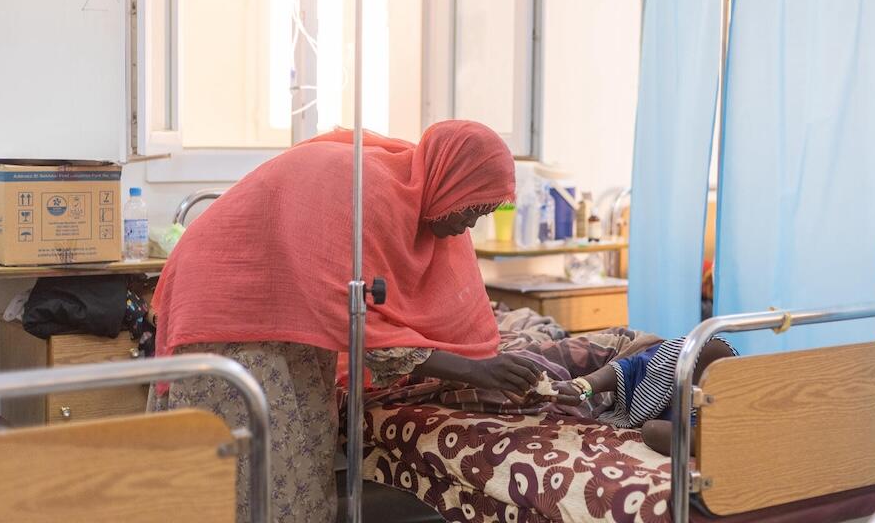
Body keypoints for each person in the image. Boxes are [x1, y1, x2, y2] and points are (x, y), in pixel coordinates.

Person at [150, 121, 541, 523]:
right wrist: (474, 370)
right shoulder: (371, 193)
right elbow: (355, 319)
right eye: (471, 209)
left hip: (291, 307)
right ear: (451, 180)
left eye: (483, 214)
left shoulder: (417, 192)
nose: (470, 225)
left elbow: (437, 307)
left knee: (309, 444)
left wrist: (477, 361)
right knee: (264, 461)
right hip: (229, 303)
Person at [549, 336, 738, 455]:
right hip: (627, 354)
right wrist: (583, 386)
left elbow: (654, 431)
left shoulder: (724, 390)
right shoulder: (668, 361)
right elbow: (631, 366)